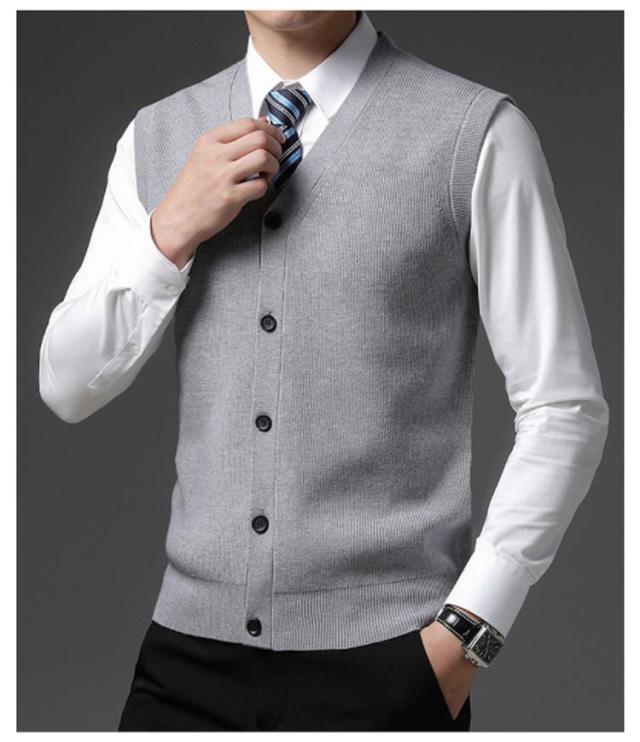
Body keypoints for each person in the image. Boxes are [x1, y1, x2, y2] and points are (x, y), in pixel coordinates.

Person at [38, 9, 609, 732]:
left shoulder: (475, 132)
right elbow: (67, 386)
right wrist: (171, 229)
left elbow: (564, 407)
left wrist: (468, 634)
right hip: (185, 660)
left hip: (391, 664)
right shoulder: (155, 135)